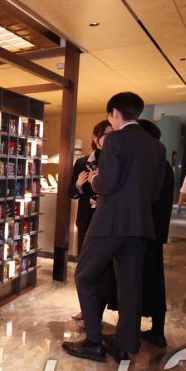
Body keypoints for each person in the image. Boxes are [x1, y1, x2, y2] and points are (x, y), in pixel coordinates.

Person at [62, 92, 165, 363]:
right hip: (140, 224)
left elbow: (106, 184)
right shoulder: (157, 147)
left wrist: (94, 180)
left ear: (114, 113)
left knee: (84, 275)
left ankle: (94, 342)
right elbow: (155, 194)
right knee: (130, 285)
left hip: (109, 222)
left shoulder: (115, 140)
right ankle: (124, 344)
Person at [69, 121, 116, 327]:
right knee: (84, 270)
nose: (109, 138)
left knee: (102, 272)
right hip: (86, 222)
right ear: (95, 137)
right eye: (106, 134)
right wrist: (79, 185)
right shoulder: (82, 162)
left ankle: (94, 315)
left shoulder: (115, 161)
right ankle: (86, 310)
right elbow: (71, 193)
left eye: (113, 134)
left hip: (106, 224)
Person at [137, 119, 174, 348]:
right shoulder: (162, 163)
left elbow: (148, 199)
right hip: (152, 231)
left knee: (148, 281)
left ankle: (156, 331)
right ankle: (155, 330)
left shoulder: (153, 165)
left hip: (146, 232)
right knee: (151, 280)